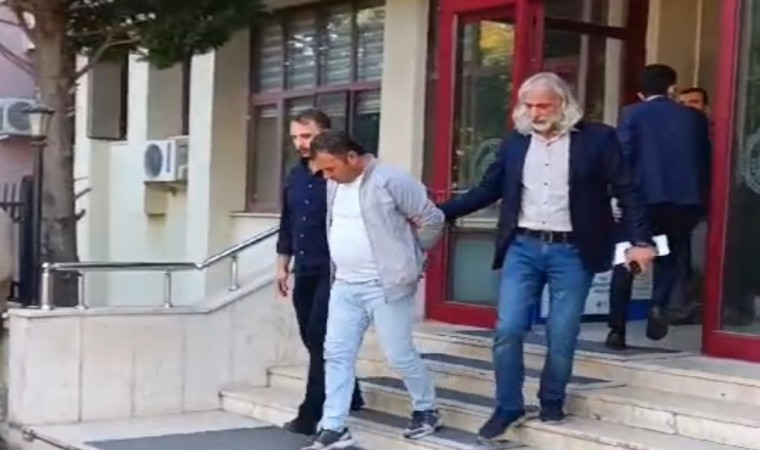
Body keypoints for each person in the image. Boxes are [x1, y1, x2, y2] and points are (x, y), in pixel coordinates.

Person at [437, 72, 656, 445]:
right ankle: (508, 406)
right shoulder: (515, 143)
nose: (535, 113)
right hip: (523, 246)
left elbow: (627, 190)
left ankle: (552, 399)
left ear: (563, 104)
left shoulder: (598, 139)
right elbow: (488, 190)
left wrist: (640, 241)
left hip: (573, 249)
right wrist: (438, 213)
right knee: (508, 329)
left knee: (562, 331)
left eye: (543, 106)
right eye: (529, 106)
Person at [304, 130, 444, 449]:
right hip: (345, 284)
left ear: (352, 157)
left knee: (398, 354)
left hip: (385, 285)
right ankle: (334, 426)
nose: (326, 176)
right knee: (336, 354)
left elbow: (432, 219)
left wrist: (414, 257)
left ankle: (426, 409)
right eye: (322, 171)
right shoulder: (334, 184)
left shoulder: (390, 180)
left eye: (330, 168)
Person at [606, 65, 712, 350]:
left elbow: (623, 156)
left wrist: (616, 195)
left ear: (641, 93)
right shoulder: (694, 118)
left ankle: (617, 329)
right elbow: (705, 160)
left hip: (640, 202)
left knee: (626, 260)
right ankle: (658, 304)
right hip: (682, 202)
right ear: (672, 88)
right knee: (670, 256)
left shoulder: (632, 114)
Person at [275, 109, 363, 437]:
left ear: (325, 134)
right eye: (295, 137)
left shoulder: (339, 175)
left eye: (306, 136)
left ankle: (311, 412)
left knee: (320, 335)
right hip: (304, 266)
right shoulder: (296, 174)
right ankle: (352, 392)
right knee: (310, 337)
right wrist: (282, 262)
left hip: (335, 268)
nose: (300, 143)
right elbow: (288, 220)